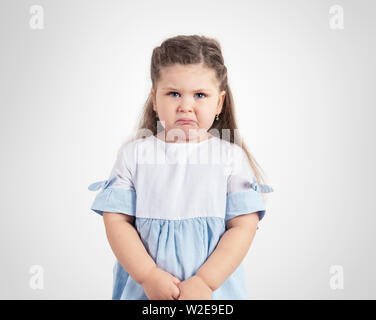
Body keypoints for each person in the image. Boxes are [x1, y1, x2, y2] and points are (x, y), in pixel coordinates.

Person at [88, 34, 274, 300]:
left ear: (219, 102)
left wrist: (206, 282)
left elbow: (243, 226)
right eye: (173, 93)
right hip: (147, 293)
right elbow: (117, 221)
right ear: (155, 99)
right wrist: (148, 275)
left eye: (200, 95)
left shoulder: (230, 158)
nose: (186, 106)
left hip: (213, 293)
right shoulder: (135, 155)